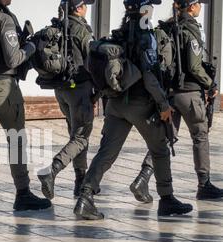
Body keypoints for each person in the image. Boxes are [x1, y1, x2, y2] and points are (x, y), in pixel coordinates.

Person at [74, 0, 194, 220]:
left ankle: (85, 197)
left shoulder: (118, 34)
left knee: (106, 153)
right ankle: (166, 200)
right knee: (160, 151)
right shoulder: (146, 37)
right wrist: (164, 105)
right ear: (145, 11)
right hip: (141, 105)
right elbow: (150, 77)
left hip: (115, 104)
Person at [130, 0, 222, 203]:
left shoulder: (167, 27)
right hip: (189, 93)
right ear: (191, 6)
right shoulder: (191, 29)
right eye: (198, 3)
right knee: (200, 136)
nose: (201, 7)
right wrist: (211, 85)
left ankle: (143, 178)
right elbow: (195, 66)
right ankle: (204, 184)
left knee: (164, 139)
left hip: (169, 93)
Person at [0, 0, 52, 212]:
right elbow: (13, 59)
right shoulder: (4, 19)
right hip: (2, 88)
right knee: (16, 139)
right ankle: (23, 193)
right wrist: (31, 46)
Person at [38, 0, 97, 200]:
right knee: (81, 137)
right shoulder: (80, 30)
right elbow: (92, 61)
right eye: (85, 5)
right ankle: (52, 170)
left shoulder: (58, 26)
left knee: (77, 137)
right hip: (79, 90)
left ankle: (80, 181)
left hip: (62, 90)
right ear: (79, 8)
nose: (87, 8)